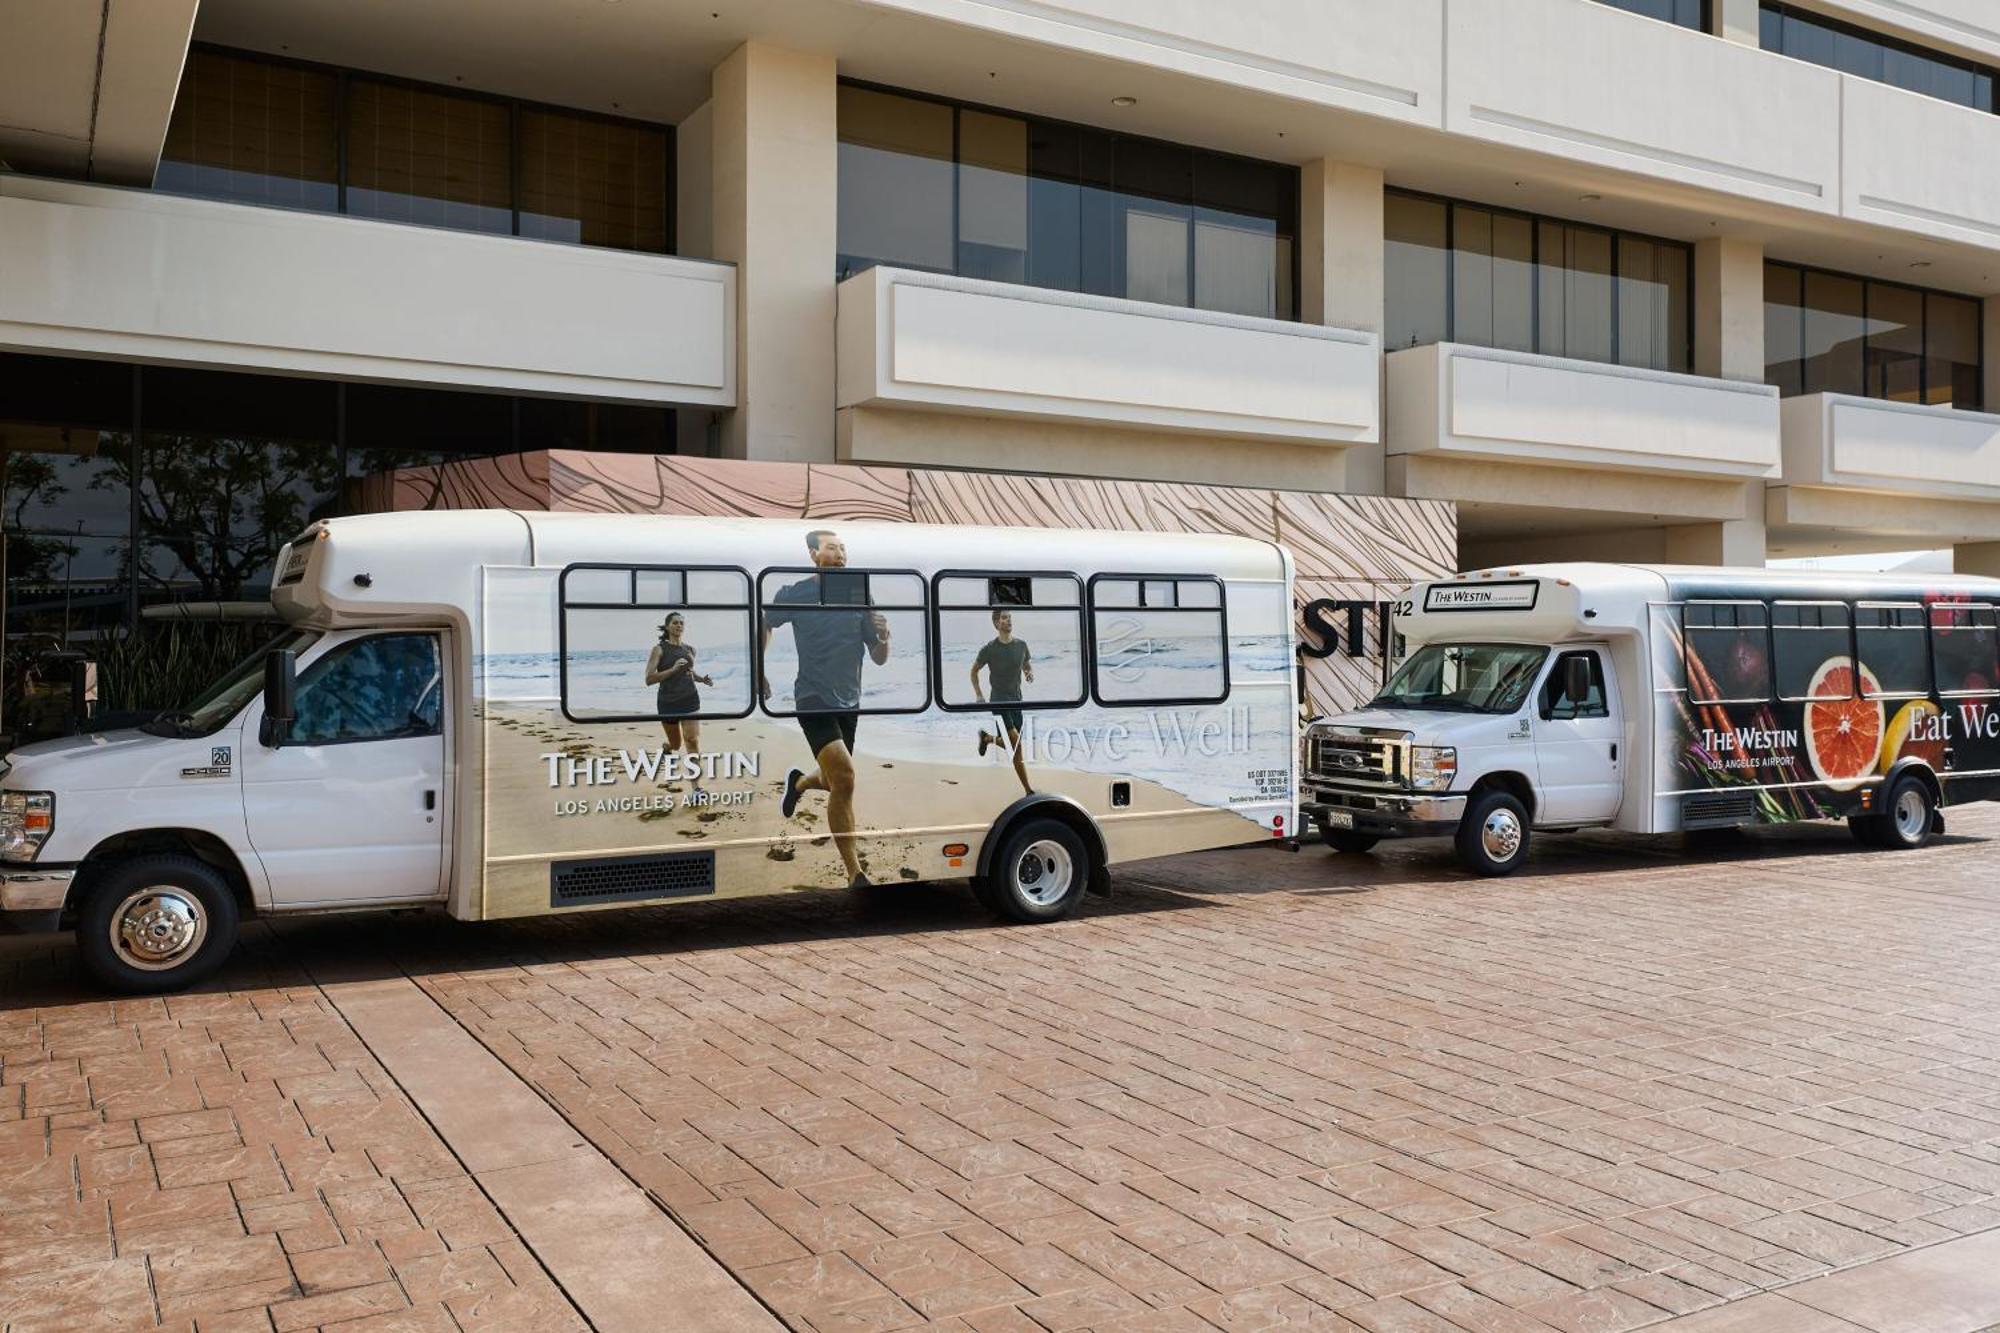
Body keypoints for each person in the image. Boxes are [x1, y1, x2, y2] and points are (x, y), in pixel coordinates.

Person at [760, 530, 889, 888]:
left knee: (835, 781)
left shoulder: (858, 593)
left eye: (844, 548)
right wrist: (759, 667)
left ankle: (799, 782)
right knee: (845, 778)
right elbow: (766, 623)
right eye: (832, 548)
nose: (841, 554)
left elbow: (878, 658)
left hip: (850, 700)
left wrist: (883, 637)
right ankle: (855, 873)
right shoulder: (796, 593)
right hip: (812, 696)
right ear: (814, 555)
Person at [644, 613, 712, 791]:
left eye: (682, 623)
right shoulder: (658, 649)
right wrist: (673, 669)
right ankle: (667, 747)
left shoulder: (690, 649)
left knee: (692, 740)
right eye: (675, 623)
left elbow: (688, 672)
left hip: (690, 699)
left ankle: (696, 788)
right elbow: (649, 679)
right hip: (668, 703)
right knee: (676, 744)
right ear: (667, 627)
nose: (679, 626)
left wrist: (701, 679)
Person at [972, 608, 1034, 796]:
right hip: (998, 701)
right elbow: (973, 671)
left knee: (1011, 745)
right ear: (997, 623)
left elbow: (1026, 664)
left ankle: (987, 738)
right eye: (1005, 618)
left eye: (1010, 617)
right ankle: (1028, 790)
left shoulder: (1022, 645)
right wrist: (979, 695)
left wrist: (1029, 672)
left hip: (1017, 701)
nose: (1008, 621)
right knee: (1017, 745)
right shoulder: (989, 649)